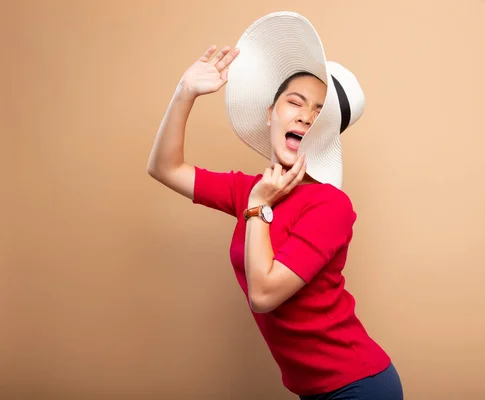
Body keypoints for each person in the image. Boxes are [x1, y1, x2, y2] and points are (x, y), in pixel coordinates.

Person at [147, 11, 403, 400]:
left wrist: (256, 207)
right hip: (314, 391)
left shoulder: (330, 206)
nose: (305, 116)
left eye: (319, 112)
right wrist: (185, 92)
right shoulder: (250, 189)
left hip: (359, 386)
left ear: (325, 134)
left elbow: (263, 295)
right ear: (270, 113)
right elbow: (165, 168)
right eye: (295, 102)